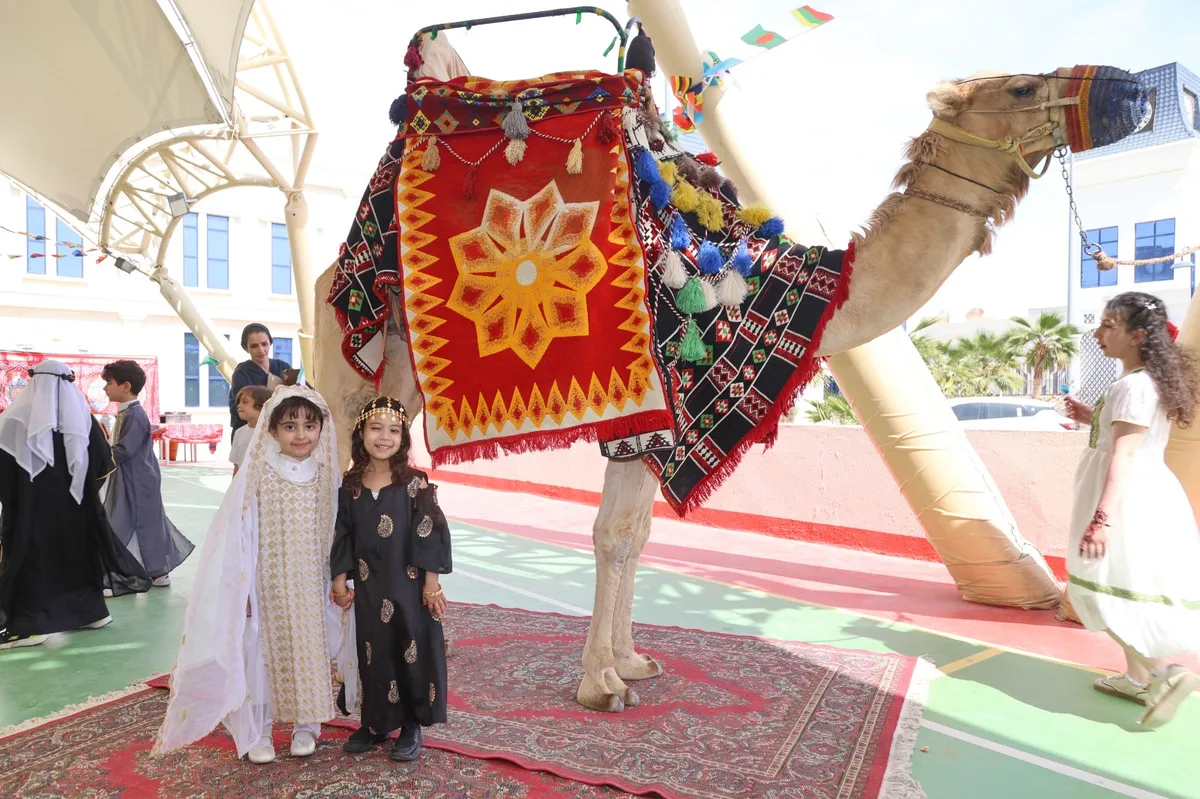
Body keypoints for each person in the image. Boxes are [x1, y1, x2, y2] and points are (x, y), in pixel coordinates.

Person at [156, 386, 343, 764]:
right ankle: (259, 729)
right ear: (272, 431)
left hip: (311, 584)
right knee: (260, 657)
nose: (301, 434)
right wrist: (241, 587)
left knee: (308, 652)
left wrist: (337, 580)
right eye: (290, 426)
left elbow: (335, 532)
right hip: (264, 585)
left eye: (310, 426)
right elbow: (239, 533)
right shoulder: (259, 475)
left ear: (322, 430)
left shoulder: (326, 477)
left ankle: (307, 725)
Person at [1063, 292, 1200, 730]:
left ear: (1138, 336)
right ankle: (1137, 679)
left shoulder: (1132, 387)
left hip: (1125, 496)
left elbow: (1123, 455)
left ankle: (1164, 673)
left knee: (1096, 588)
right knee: (1122, 584)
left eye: (1109, 325)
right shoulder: (1141, 383)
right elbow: (1125, 438)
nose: (1098, 333)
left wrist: (1101, 519)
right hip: (1143, 492)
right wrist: (1091, 417)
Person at [330, 396, 451, 761]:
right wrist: (339, 582)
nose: (384, 437)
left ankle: (411, 726)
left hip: (409, 590)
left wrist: (431, 586)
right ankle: (377, 723)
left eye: (394, 430)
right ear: (361, 433)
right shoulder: (350, 486)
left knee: (410, 653)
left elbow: (430, 533)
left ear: (403, 438)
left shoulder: (414, 484)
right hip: (370, 590)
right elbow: (342, 534)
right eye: (376, 428)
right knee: (374, 655)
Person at [0, 360, 151, 650]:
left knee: (34, 558)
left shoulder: (15, 419)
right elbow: (103, 463)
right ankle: (89, 613)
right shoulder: (82, 418)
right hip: (76, 508)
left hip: (31, 510)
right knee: (76, 554)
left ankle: (31, 624)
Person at [102, 360, 194, 587]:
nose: (105, 388)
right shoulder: (127, 412)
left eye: (109, 383)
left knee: (132, 523)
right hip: (133, 476)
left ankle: (148, 572)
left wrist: (96, 455)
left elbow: (124, 450)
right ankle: (152, 571)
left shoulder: (134, 415)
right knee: (139, 522)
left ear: (125, 386)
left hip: (138, 479)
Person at [229, 323, 290, 442]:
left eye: (264, 344)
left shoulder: (282, 366)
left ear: (270, 343)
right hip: (250, 433)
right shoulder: (242, 373)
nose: (261, 350)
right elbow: (243, 406)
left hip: (277, 432)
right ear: (246, 348)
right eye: (254, 346)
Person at [231, 385, 272, 475]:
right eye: (238, 402)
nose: (239, 405)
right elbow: (237, 465)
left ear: (262, 405)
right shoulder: (239, 432)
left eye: (245, 402)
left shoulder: (273, 433)